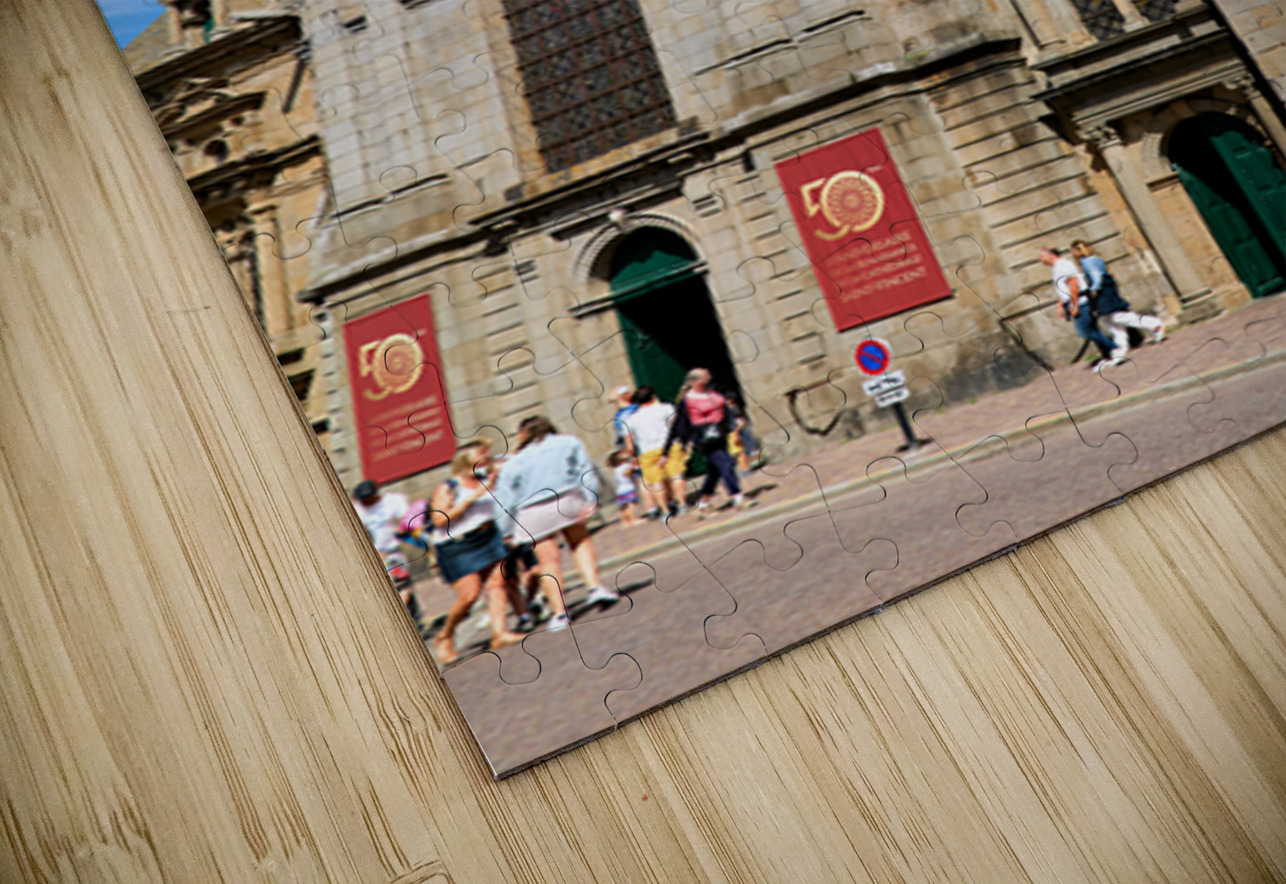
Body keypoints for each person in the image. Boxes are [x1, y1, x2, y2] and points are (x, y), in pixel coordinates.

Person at [493, 416, 620, 630]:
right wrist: (591, 498)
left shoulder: (513, 461)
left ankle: (560, 613)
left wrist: (505, 528)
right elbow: (585, 471)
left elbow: (505, 498)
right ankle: (594, 587)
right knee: (580, 543)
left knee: (548, 562)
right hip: (567, 498)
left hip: (531, 511)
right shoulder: (568, 442)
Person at [427, 447, 524, 665]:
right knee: (469, 596)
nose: (486, 461)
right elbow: (439, 520)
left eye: (486, 458)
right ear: (464, 463)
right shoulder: (449, 486)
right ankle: (445, 635)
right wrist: (475, 497)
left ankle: (500, 633)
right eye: (481, 459)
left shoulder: (487, 478)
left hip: (488, 535)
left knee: (496, 584)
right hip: (458, 544)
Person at [661, 368, 747, 519]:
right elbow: (678, 427)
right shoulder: (686, 401)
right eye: (705, 378)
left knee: (715, 470)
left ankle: (703, 503)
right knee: (726, 464)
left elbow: (725, 411)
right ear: (696, 381)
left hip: (720, 435)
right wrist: (666, 451)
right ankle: (737, 497)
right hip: (703, 439)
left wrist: (735, 420)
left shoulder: (713, 394)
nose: (708, 380)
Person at [1071, 240, 1165, 362]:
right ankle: (1120, 349)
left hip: (1103, 292)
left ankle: (1154, 324)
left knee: (1116, 317)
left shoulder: (1087, 262)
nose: (1072, 253)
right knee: (1108, 320)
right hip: (1107, 289)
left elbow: (1097, 277)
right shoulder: (1095, 258)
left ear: (1079, 250)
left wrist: (1094, 290)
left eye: (1073, 250)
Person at [1040, 246, 1120, 368]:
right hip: (1075, 302)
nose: (1041, 260)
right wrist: (1060, 306)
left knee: (1084, 331)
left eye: (1042, 257)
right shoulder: (1057, 268)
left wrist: (1074, 304)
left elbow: (1073, 283)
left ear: (1051, 255)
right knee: (1092, 329)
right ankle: (1108, 355)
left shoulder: (1063, 265)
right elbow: (1062, 288)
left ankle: (1114, 348)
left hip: (1081, 301)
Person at [621, 385, 688, 519]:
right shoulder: (665, 408)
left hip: (647, 452)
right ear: (653, 396)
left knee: (656, 482)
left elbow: (629, 444)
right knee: (676, 476)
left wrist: (632, 455)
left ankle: (664, 510)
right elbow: (676, 426)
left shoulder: (630, 420)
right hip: (669, 447)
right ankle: (682, 504)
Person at [352, 480, 416, 612]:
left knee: (402, 585)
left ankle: (409, 617)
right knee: (396, 589)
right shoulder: (357, 511)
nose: (365, 502)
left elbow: (407, 519)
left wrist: (403, 529)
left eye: (368, 498)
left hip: (393, 552)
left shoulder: (392, 501)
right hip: (376, 555)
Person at [609, 449, 641, 527]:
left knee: (623, 507)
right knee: (632, 504)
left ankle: (625, 522)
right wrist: (633, 468)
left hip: (620, 490)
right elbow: (627, 473)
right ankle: (634, 519)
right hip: (628, 488)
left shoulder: (615, 469)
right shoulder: (625, 466)